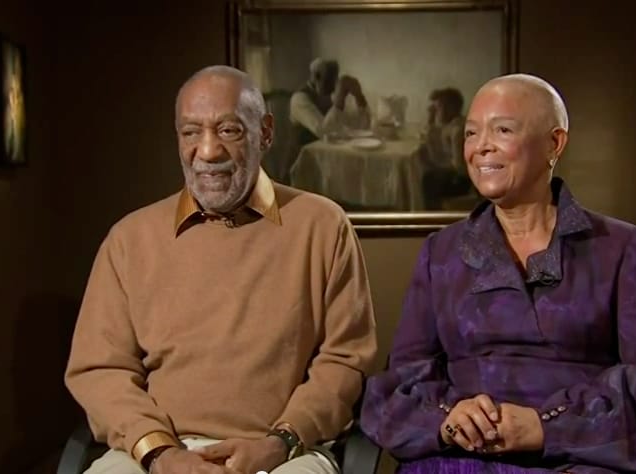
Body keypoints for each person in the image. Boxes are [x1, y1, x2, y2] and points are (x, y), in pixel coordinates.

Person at [361, 73, 636, 473]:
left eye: (503, 130)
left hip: (587, 455)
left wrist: (546, 427)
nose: (481, 148)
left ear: (555, 143)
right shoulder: (440, 253)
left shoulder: (620, 247)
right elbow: (401, 382)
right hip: (466, 458)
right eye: (471, 133)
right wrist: (450, 417)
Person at [65, 65, 378, 474]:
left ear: (265, 132)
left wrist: (280, 442)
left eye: (228, 130)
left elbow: (345, 361)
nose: (208, 151)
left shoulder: (323, 225)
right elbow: (100, 370)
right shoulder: (129, 239)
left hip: (285, 453)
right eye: (191, 132)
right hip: (154, 454)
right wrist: (161, 453)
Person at [289, 58, 371, 148]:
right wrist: (340, 98)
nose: (334, 85)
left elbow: (360, 126)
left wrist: (359, 97)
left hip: (328, 151)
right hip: (306, 156)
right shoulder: (299, 99)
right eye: (329, 80)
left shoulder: (329, 95)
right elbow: (325, 133)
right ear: (317, 77)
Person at [420, 87, 472, 210]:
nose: (435, 112)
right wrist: (431, 120)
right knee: (426, 173)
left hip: (462, 180)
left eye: (438, 108)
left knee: (429, 180)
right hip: (454, 172)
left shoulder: (457, 130)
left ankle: (431, 217)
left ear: (451, 108)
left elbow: (459, 167)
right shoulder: (449, 125)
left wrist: (438, 165)